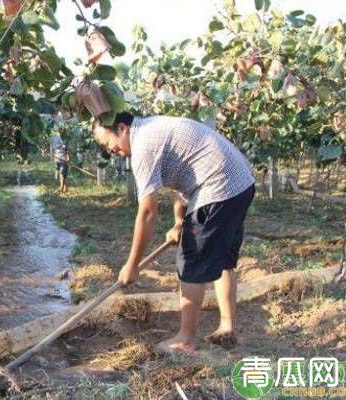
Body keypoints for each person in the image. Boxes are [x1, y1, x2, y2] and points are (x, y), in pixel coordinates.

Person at [92, 112, 255, 355]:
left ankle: (186, 339)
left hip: (217, 185)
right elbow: (178, 180)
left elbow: (147, 213)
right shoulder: (154, 131)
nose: (110, 151)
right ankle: (227, 327)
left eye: (108, 144)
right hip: (240, 182)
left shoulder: (143, 145)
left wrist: (132, 264)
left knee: (191, 260)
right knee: (222, 259)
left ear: (122, 128)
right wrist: (179, 222)